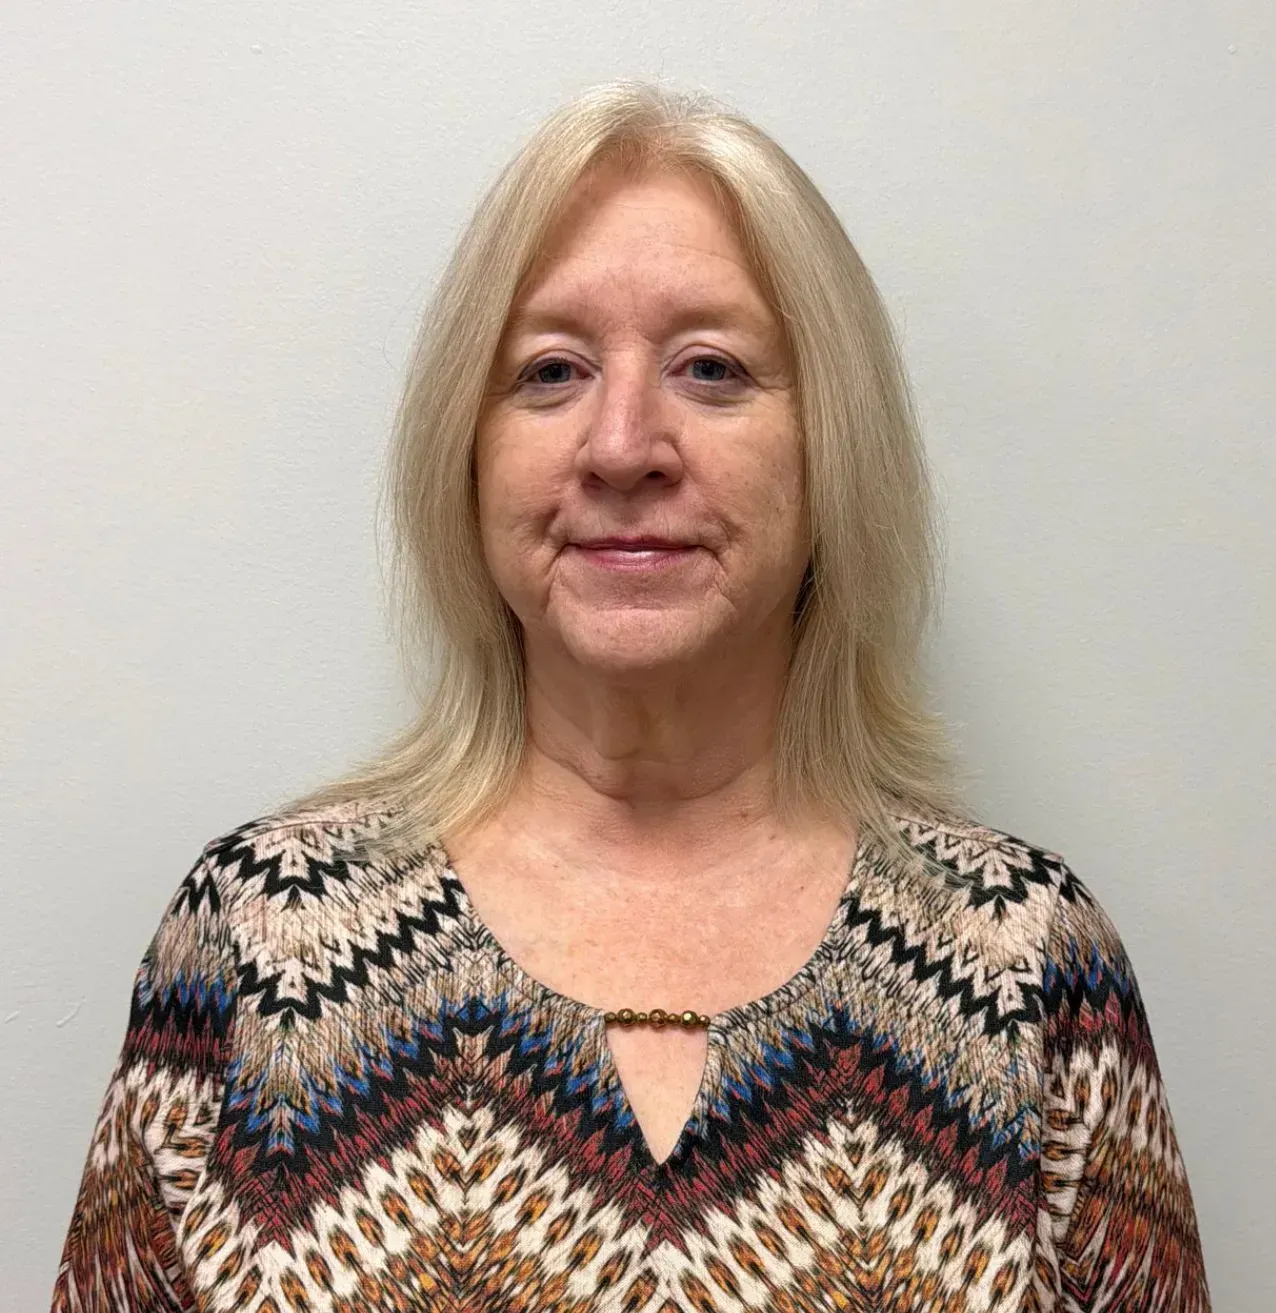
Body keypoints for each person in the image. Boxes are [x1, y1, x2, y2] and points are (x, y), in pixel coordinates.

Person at [51, 81, 1209, 1312]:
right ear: (467, 451)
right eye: (549, 371)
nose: (620, 446)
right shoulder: (263, 939)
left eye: (711, 368)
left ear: (832, 445)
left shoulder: (1024, 960)